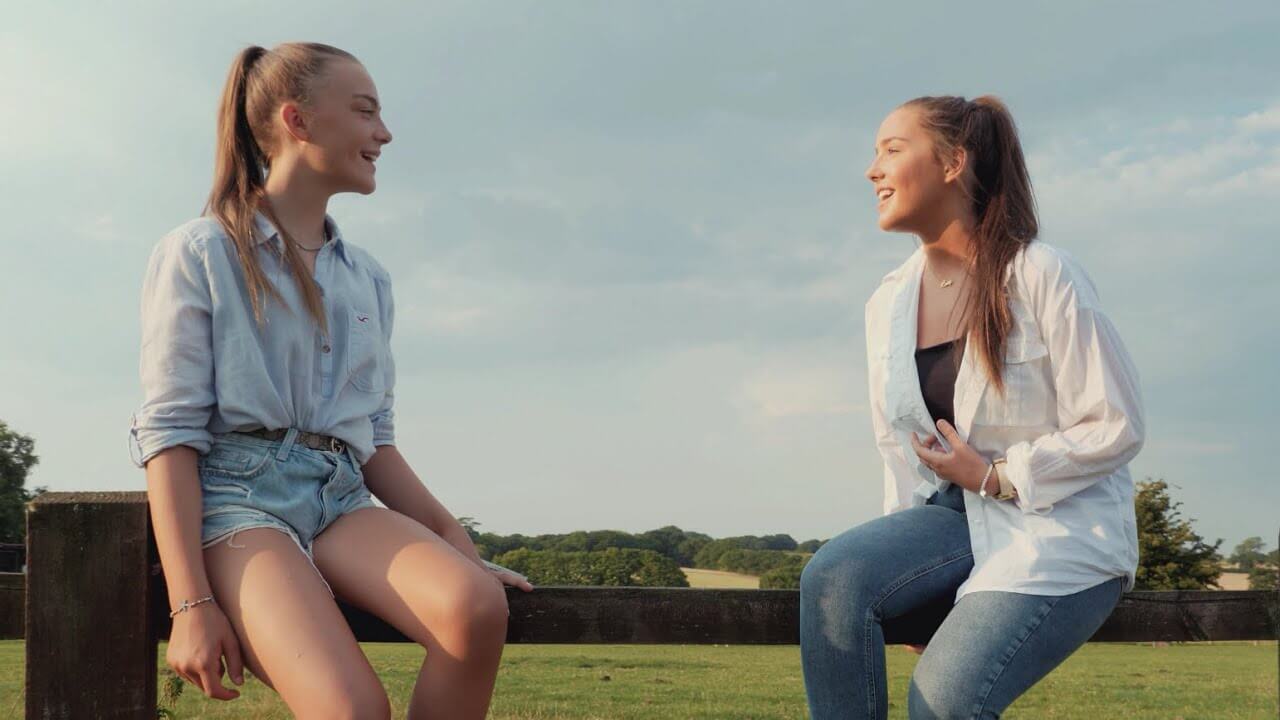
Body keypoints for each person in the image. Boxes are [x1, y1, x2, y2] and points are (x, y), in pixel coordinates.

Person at [130, 42, 532, 718]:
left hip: (341, 498)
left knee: (473, 606)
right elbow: (170, 435)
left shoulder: (367, 277)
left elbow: (373, 439)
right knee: (352, 710)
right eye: (365, 111)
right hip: (236, 502)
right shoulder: (200, 252)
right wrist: (191, 603)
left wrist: (459, 554)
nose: (385, 132)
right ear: (299, 120)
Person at [799, 95, 1145, 719]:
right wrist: (900, 578)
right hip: (951, 518)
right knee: (835, 577)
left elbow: (1116, 423)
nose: (872, 170)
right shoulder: (887, 303)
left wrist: (1000, 476)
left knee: (944, 704)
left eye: (892, 150)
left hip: (1060, 529)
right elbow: (898, 451)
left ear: (955, 162)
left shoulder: (1044, 273)